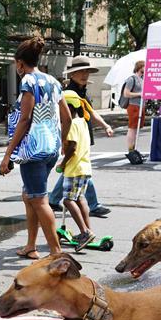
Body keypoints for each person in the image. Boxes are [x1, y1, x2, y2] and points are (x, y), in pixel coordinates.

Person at [0, 36, 71, 259]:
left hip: (34, 149)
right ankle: (31, 245)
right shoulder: (53, 81)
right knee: (28, 195)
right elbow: (67, 117)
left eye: (15, 64)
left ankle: (56, 252)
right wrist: (64, 143)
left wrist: (7, 154)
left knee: (39, 199)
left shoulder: (28, 82)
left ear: (20, 63)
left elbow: (25, 120)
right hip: (50, 147)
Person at [50, 56, 114, 216]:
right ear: (72, 74)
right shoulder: (69, 93)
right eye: (80, 71)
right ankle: (93, 205)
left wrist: (105, 125)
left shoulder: (81, 92)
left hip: (81, 135)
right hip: (74, 137)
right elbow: (63, 118)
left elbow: (92, 113)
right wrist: (65, 139)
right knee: (82, 169)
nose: (85, 74)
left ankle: (52, 200)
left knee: (73, 169)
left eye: (87, 71)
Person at [58, 90, 100, 251]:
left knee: (68, 200)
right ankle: (88, 231)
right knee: (80, 198)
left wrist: (62, 163)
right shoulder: (82, 121)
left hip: (74, 168)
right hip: (85, 167)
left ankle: (84, 232)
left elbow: (73, 148)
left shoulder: (72, 124)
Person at [123, 60, 145, 161]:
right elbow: (126, 94)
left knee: (136, 129)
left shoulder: (142, 79)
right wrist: (139, 94)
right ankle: (131, 150)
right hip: (134, 106)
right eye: (145, 66)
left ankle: (134, 149)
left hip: (141, 106)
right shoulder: (132, 79)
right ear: (140, 67)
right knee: (132, 128)